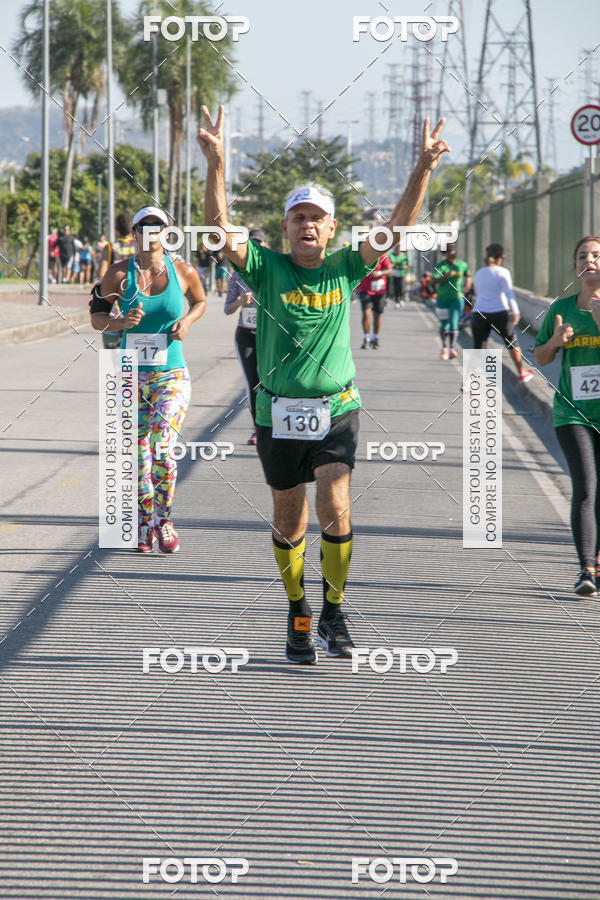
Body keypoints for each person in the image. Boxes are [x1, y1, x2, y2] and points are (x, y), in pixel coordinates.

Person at [199, 105, 449, 664]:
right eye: (298, 217)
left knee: (336, 502)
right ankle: (298, 610)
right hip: (277, 413)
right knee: (290, 517)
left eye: (317, 218)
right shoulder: (264, 268)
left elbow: (399, 229)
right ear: (285, 226)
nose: (307, 225)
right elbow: (219, 230)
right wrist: (215, 163)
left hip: (336, 408)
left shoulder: (345, 267)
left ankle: (334, 608)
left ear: (332, 228)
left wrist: (422, 169)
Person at [90, 205, 207, 554]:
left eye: (159, 227)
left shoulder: (183, 270)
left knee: (163, 448)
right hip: (128, 375)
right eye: (145, 226)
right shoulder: (117, 274)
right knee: (137, 455)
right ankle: (144, 520)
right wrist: (120, 322)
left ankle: (164, 518)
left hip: (171, 372)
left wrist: (187, 322)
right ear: (135, 232)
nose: (151, 232)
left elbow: (200, 302)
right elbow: (97, 318)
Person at [534, 235, 600, 596]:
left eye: (595, 255)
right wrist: (556, 341)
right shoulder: (563, 309)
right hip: (573, 412)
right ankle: (586, 569)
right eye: (582, 256)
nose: (588, 260)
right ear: (575, 267)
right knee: (586, 487)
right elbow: (541, 357)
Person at [224, 228, 268, 446]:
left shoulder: (272, 272)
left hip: (269, 334)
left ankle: (272, 426)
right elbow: (227, 309)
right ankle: (257, 428)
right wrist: (240, 302)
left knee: (270, 382)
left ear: (265, 246)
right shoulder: (237, 274)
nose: (256, 247)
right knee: (252, 383)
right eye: (252, 244)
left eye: (260, 243)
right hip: (246, 334)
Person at [471, 243, 533, 382]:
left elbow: (477, 292)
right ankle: (521, 371)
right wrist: (516, 311)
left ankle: (469, 381)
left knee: (478, 348)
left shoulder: (479, 272)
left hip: (479, 313)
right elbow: (508, 293)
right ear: (502, 257)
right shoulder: (503, 272)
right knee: (511, 343)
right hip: (499, 312)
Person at [97, 214, 137, 349]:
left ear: (116, 229)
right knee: (129, 360)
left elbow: (102, 274)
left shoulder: (110, 247)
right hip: (134, 308)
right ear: (133, 228)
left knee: (110, 355)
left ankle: (110, 370)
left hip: (114, 309)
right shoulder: (139, 247)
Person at [432, 244, 471, 359]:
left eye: (453, 251)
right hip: (442, 299)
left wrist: (467, 285)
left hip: (457, 298)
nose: (452, 254)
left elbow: (468, 275)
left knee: (454, 322)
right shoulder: (441, 266)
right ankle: (444, 347)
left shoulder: (462, 265)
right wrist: (445, 277)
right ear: (445, 254)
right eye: (449, 252)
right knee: (445, 324)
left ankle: (452, 348)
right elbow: (433, 281)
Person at [358, 253, 393, 349]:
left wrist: (379, 273)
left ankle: (375, 337)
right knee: (366, 314)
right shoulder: (363, 255)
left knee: (377, 315)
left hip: (379, 290)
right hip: (365, 289)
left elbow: (390, 270)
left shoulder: (383, 256)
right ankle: (366, 338)